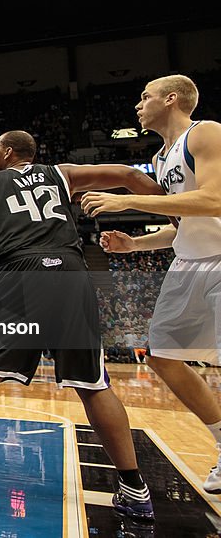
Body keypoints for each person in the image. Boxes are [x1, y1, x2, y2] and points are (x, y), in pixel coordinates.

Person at [0, 131, 162, 522]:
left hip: (19, 273)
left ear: (8, 152)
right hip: (71, 272)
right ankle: (133, 488)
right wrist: (174, 209)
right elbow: (128, 174)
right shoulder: (63, 174)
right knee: (93, 384)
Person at [83, 75, 221, 493]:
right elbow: (184, 223)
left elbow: (215, 200)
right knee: (162, 356)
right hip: (188, 261)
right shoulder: (162, 159)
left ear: (171, 99)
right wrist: (136, 244)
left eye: (145, 97)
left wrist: (129, 199)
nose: (138, 105)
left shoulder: (206, 133)